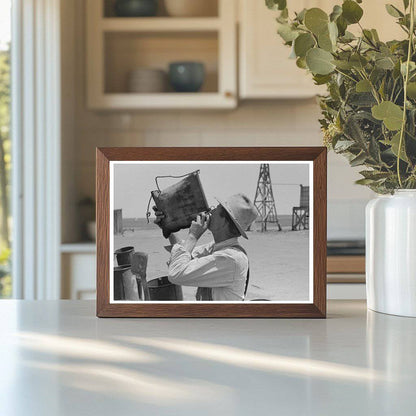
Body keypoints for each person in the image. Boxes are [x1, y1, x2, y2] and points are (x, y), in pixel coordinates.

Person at [154, 193, 258, 301]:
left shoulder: (231, 258)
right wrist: (168, 226)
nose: (210, 211)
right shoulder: (217, 247)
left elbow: (176, 273)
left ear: (224, 222)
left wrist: (193, 236)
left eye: (216, 209)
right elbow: (181, 256)